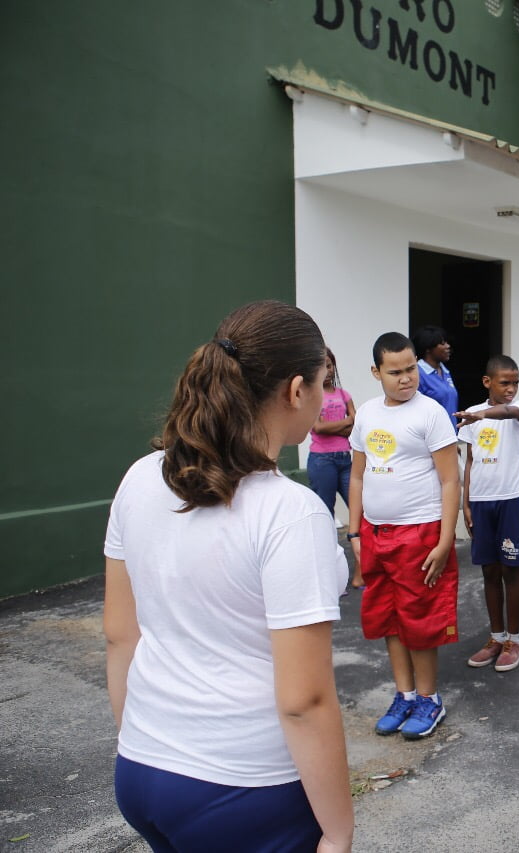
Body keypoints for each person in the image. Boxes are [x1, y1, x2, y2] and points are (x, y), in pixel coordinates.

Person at [104, 301, 353, 852]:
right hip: (244, 790)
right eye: (322, 382)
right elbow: (304, 701)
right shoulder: (291, 512)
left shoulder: (140, 477)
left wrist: (141, 743)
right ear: (295, 391)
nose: (323, 395)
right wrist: (338, 833)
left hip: (143, 769)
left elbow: (122, 634)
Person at [349, 332, 460, 741]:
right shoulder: (366, 413)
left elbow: (451, 480)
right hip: (376, 534)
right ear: (376, 372)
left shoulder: (429, 413)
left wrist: (446, 539)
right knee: (389, 619)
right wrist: (354, 534)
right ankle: (405, 695)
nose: (405, 378)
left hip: (421, 532)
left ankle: (429, 699)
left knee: (420, 620)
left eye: (411, 368)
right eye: (394, 372)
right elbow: (358, 476)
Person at [456, 356, 519, 671]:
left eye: (515, 382)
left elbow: (507, 412)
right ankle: (496, 636)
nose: (511, 389)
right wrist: (466, 502)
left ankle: (514, 640)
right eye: (505, 383)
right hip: (481, 501)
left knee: (510, 570)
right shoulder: (473, 415)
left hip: (510, 500)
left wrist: (482, 415)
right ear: (488, 382)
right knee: (489, 570)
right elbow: (471, 461)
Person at [308, 348, 357, 548]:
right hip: (322, 461)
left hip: (346, 460)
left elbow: (356, 423)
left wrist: (332, 427)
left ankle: (361, 565)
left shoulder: (344, 394)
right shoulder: (312, 396)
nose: (327, 371)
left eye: (329, 366)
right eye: (321, 367)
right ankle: (326, 553)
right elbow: (317, 427)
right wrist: (346, 422)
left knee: (357, 508)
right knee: (325, 512)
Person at [412, 325, 459, 426]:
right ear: (428, 348)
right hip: (431, 438)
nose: (448, 346)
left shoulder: (445, 372)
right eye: (442, 343)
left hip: (450, 435)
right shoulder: (418, 373)